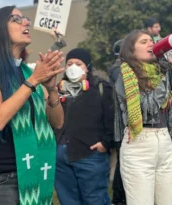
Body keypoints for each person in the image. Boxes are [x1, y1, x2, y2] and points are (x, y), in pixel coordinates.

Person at [0, 6, 65, 205]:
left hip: (32, 172)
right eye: (16, 19)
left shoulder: (28, 73)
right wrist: (33, 81)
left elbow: (57, 123)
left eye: (25, 18)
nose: (26, 22)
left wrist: (52, 89)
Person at [112, 30, 172, 205]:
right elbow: (148, 107)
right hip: (139, 146)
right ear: (131, 50)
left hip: (165, 143)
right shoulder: (124, 75)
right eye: (143, 42)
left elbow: (170, 119)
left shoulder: (160, 72)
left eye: (151, 41)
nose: (151, 44)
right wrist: (166, 76)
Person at [53, 48, 113, 205]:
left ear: (87, 67)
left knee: (95, 200)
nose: (73, 67)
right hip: (61, 154)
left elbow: (112, 120)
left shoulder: (102, 88)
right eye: (69, 63)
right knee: (68, 200)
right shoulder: (57, 89)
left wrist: (105, 144)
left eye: (78, 63)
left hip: (90, 154)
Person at [106, 39, 126, 205]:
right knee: (123, 163)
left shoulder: (117, 68)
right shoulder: (118, 69)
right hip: (120, 124)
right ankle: (119, 199)